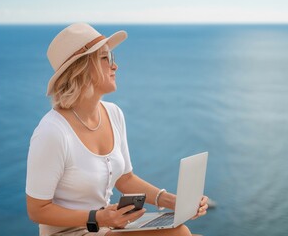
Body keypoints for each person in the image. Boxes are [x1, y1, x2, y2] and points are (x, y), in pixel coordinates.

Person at [26, 22, 213, 236]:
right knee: (178, 233)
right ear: (83, 68)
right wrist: (97, 217)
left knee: (183, 231)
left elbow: (124, 179)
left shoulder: (113, 113)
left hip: (104, 226)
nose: (115, 66)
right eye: (106, 58)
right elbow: (37, 210)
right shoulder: (52, 132)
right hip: (68, 232)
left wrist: (174, 202)